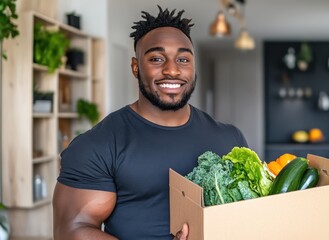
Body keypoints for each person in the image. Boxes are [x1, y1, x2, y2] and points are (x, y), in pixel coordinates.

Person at [53, 5, 248, 240]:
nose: (172, 70)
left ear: (193, 67)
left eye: (183, 59)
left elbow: (246, 214)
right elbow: (72, 230)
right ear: (136, 67)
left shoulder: (230, 139)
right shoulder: (98, 144)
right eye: (156, 58)